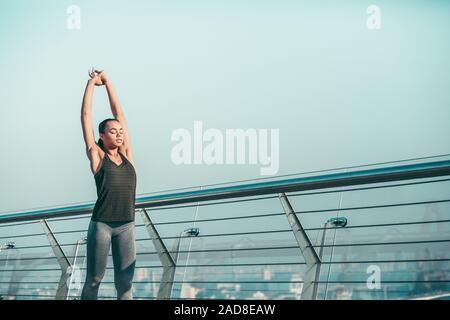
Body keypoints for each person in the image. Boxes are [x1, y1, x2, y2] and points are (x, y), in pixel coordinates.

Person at [80, 68, 137, 300]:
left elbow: (119, 114)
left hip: (127, 225)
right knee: (94, 280)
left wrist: (109, 82)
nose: (119, 134)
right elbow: (86, 115)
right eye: (113, 132)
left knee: (125, 282)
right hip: (102, 224)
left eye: (121, 131)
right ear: (102, 136)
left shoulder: (126, 154)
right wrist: (92, 84)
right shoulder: (97, 156)